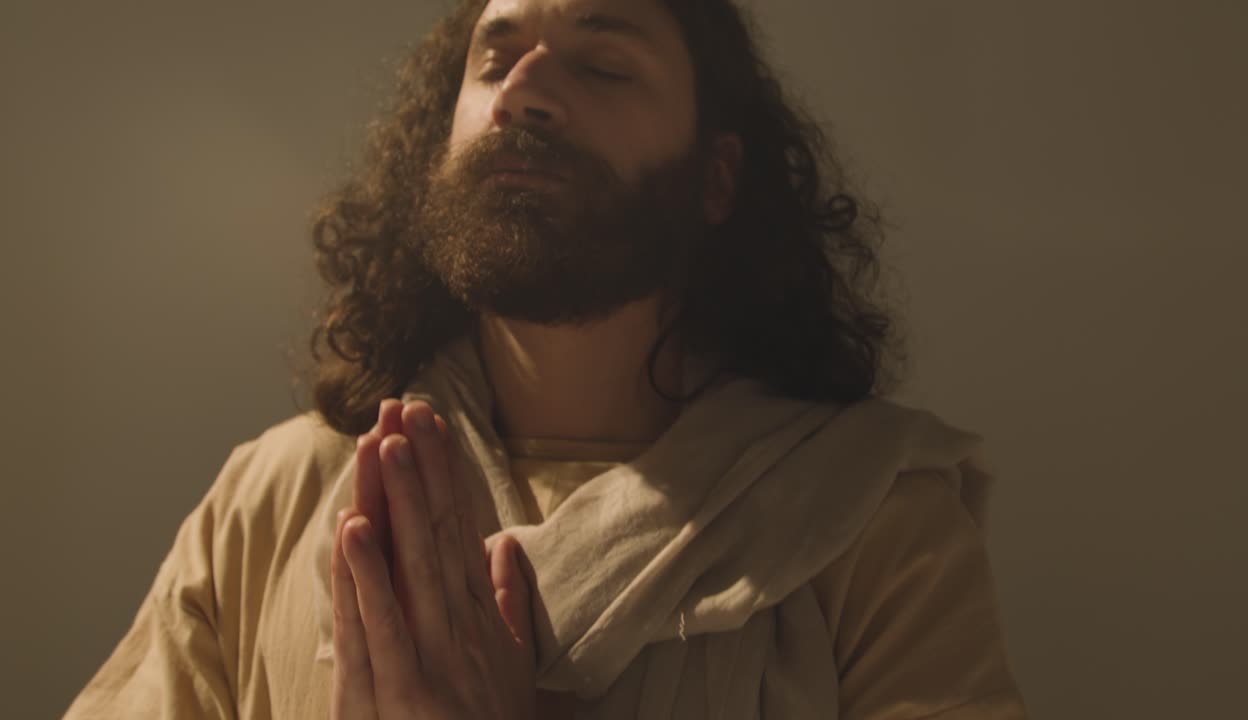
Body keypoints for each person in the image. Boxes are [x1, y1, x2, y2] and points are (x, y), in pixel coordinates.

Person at [65, 0, 1029, 717]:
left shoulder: (867, 523)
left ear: (717, 178)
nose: (523, 92)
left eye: (603, 67)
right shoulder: (274, 499)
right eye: (496, 61)